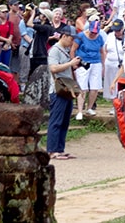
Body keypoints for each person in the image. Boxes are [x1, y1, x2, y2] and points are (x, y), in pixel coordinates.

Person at [47, 26, 80, 160]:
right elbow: (53, 68)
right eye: (71, 38)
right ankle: (52, 150)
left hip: (67, 89)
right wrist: (70, 63)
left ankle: (60, 148)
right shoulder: (54, 50)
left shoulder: (65, 51)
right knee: (56, 120)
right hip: (57, 90)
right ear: (64, 36)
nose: (72, 42)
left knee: (65, 121)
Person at [71, 20, 105, 121]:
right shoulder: (81, 36)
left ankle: (89, 107)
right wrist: (74, 63)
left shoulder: (100, 38)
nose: (93, 33)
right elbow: (73, 50)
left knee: (95, 87)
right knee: (82, 87)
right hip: (83, 62)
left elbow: (102, 52)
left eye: (95, 32)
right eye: (92, 31)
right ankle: (80, 110)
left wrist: (103, 65)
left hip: (96, 62)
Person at [103, 19, 125, 115]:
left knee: (120, 85)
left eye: (118, 30)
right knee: (111, 85)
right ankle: (113, 105)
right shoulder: (110, 36)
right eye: (115, 30)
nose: (117, 32)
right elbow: (105, 50)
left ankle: (121, 104)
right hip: (110, 63)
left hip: (121, 65)